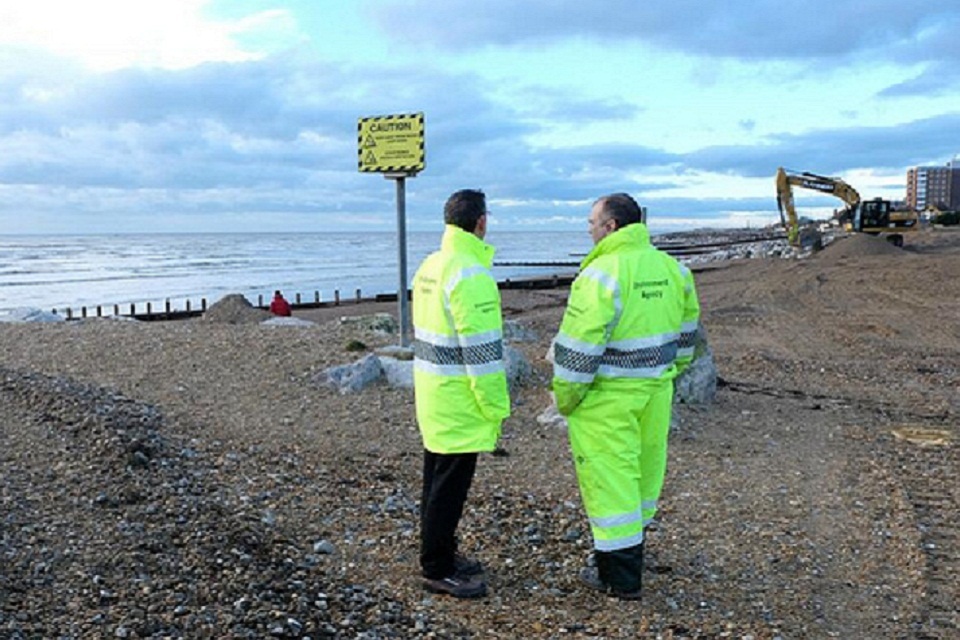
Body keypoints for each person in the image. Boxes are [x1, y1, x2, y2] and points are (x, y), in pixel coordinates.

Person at [551, 193, 700, 599]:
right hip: (655, 392)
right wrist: (665, 374)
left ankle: (619, 579)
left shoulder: (601, 274)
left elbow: (577, 351)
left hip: (606, 399)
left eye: (591, 223)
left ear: (611, 226)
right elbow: (688, 340)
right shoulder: (674, 270)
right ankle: (631, 554)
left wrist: (565, 399)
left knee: (611, 482)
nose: (589, 230)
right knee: (644, 474)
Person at [411, 189, 511, 599]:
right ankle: (437, 567)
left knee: (435, 481)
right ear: (481, 222)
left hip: (433, 393)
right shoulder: (471, 274)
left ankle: (441, 553)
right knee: (449, 488)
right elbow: (483, 352)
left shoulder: (431, 265)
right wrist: (496, 406)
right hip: (459, 401)